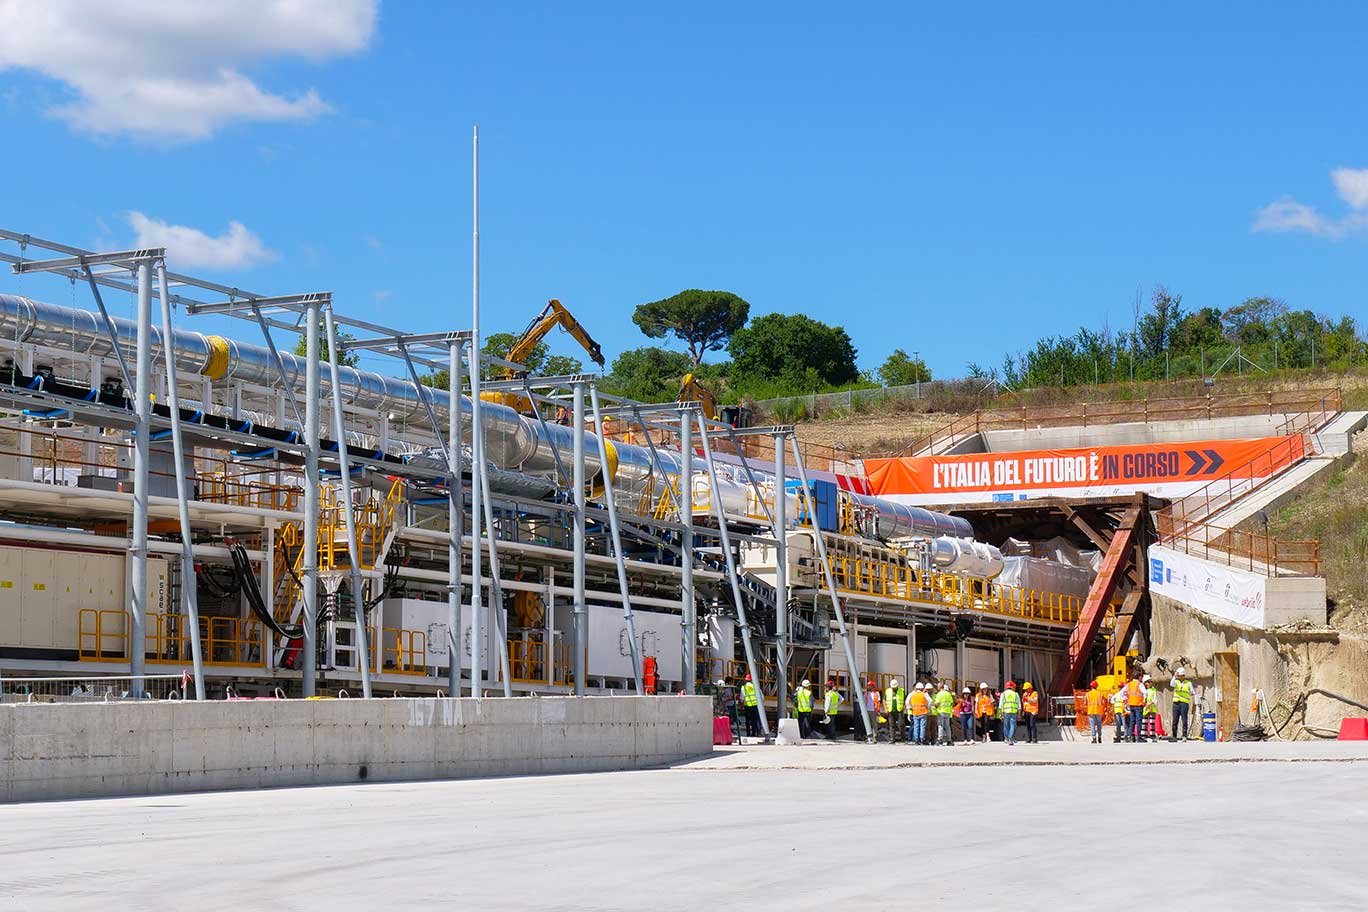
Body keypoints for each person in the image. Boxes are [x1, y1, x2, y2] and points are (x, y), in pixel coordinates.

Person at [1171, 667, 1193, 742]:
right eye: (1178, 675)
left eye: (1180, 676)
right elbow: (1172, 684)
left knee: (1184, 720)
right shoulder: (1176, 682)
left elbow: (1192, 691)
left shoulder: (1188, 683)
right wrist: (1174, 676)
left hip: (1184, 703)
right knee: (1175, 720)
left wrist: (1192, 693)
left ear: (1183, 676)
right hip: (1176, 703)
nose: (1179, 677)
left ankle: (1184, 735)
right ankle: (1174, 736)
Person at [998, 680, 1021, 745]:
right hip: (1014, 712)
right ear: (1012, 687)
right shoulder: (1016, 694)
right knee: (1012, 725)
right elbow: (1019, 705)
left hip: (1006, 711)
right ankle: (1010, 738)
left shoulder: (1003, 694)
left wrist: (1000, 714)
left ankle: (1006, 739)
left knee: (1006, 725)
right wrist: (1019, 714)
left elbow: (1000, 705)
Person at [884, 678, 906, 743]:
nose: (894, 688)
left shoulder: (902, 691)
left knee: (901, 725)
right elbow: (884, 700)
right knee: (892, 725)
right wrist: (885, 708)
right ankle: (892, 739)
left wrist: (904, 707)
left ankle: (903, 739)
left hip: (899, 711)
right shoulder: (887, 691)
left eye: (895, 687)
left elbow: (905, 699)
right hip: (890, 710)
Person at [1126, 673, 1146, 742]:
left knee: (1132, 721)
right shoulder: (1140, 684)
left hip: (1131, 705)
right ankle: (1138, 737)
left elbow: (1124, 693)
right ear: (1139, 677)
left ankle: (1131, 736)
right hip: (1138, 705)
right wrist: (1144, 701)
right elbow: (1145, 693)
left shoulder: (1129, 684)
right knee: (1138, 721)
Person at [1085, 679, 1106, 744]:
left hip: (1091, 711)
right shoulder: (1100, 694)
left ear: (1091, 687)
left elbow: (1085, 703)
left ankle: (1094, 738)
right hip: (1099, 711)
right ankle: (1099, 737)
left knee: (1092, 725)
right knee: (1099, 725)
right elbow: (1103, 702)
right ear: (1096, 687)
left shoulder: (1088, 694)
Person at [740, 673, 760, 738]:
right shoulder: (755, 687)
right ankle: (755, 733)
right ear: (751, 680)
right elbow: (761, 697)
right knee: (755, 720)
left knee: (748, 721)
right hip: (755, 705)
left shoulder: (743, 687)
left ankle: (748, 733)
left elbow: (742, 698)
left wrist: (741, 704)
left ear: (746, 680)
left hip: (747, 706)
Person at [1142, 674, 1158, 742]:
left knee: (1152, 722)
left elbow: (1155, 698)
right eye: (1148, 682)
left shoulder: (1154, 690)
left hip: (1152, 708)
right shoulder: (1143, 690)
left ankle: (1152, 735)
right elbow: (1143, 698)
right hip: (1145, 708)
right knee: (1144, 721)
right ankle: (1143, 735)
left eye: (1151, 681)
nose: (1150, 683)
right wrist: (1145, 704)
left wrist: (1150, 704)